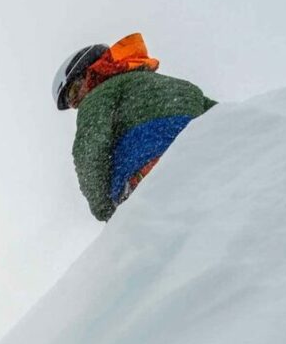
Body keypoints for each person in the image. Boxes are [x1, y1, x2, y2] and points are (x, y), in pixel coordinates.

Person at [54, 32, 216, 221]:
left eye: (74, 92)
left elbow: (90, 149)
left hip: (146, 181)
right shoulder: (181, 85)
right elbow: (223, 118)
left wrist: (105, 210)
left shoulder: (98, 96)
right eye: (73, 103)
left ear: (91, 72)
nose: (77, 103)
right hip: (205, 166)